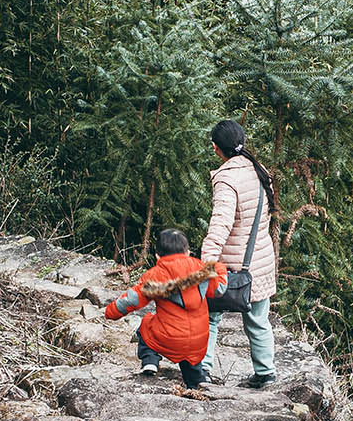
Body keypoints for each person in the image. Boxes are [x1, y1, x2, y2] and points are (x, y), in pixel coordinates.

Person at [200, 119, 277, 389]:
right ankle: (266, 373)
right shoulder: (260, 171)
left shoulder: (226, 179)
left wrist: (207, 261)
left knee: (208, 317)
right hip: (261, 261)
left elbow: (220, 225)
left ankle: (202, 369)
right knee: (258, 320)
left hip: (231, 265)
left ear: (215, 148)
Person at [104, 228, 226, 396]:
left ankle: (150, 361)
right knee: (191, 357)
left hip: (168, 338)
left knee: (146, 324)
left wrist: (110, 312)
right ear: (188, 252)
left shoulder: (154, 275)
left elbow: (132, 300)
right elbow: (219, 289)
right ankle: (198, 384)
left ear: (158, 256)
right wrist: (219, 268)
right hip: (198, 342)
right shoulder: (202, 270)